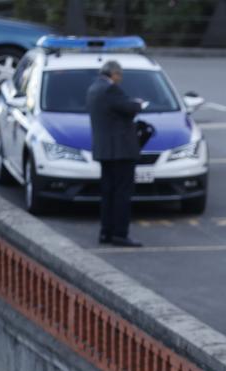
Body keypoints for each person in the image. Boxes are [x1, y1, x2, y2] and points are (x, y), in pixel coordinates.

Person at [86, 60, 146, 247]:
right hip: (120, 150)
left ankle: (106, 232)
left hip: (105, 150)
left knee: (108, 193)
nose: (120, 79)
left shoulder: (94, 88)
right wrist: (138, 104)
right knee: (122, 194)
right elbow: (127, 108)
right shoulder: (111, 89)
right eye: (120, 75)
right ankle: (120, 233)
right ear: (114, 74)